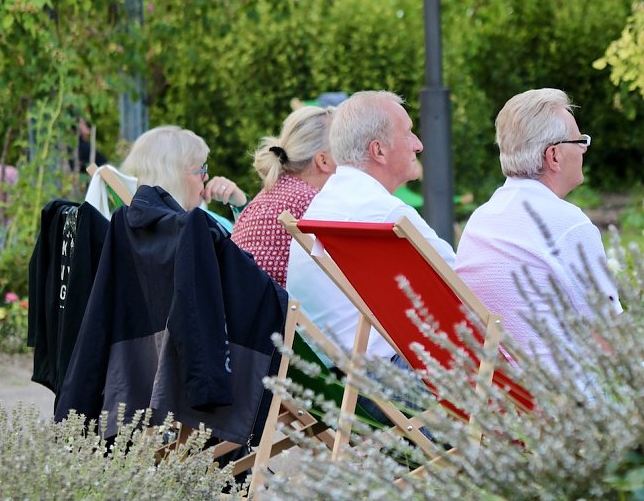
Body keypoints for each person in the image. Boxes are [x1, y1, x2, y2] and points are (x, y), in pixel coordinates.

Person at [454, 88, 622, 372]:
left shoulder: (481, 219)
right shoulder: (568, 223)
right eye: (579, 141)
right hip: (562, 399)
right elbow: (610, 339)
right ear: (554, 156)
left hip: (491, 395)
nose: (584, 149)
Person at [286, 91, 455, 360]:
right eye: (409, 133)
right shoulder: (387, 213)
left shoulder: (323, 207)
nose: (418, 144)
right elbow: (462, 288)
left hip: (337, 380)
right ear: (378, 150)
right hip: (386, 378)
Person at [231, 106, 336, 288]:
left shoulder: (267, 195)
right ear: (324, 161)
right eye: (344, 152)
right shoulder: (313, 203)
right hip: (284, 313)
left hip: (244, 310)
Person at [121, 125, 247, 216]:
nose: (207, 177)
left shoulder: (128, 230)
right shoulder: (200, 228)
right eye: (200, 170)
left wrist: (239, 203)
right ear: (173, 178)